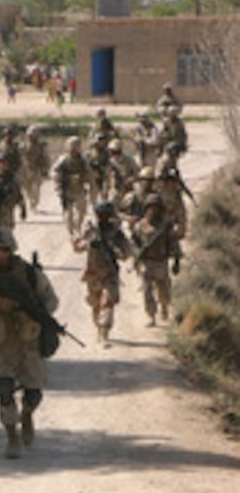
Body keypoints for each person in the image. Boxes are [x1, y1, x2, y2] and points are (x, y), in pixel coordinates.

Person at [0, 226, 59, 459]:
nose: (0, 255)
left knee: (34, 394)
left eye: (5, 250)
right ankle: (12, 437)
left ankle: (26, 415)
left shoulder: (29, 273)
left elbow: (51, 300)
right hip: (1, 345)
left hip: (28, 342)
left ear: (12, 250)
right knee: (4, 391)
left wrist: (33, 313)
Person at [73, 201, 130, 347]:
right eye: (100, 215)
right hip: (93, 273)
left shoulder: (116, 232)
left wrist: (114, 251)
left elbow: (126, 252)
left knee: (107, 302)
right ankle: (99, 329)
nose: (102, 218)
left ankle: (104, 334)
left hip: (109, 273)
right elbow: (77, 246)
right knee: (96, 304)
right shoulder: (90, 230)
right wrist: (89, 243)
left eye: (105, 215)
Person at [131, 193, 182, 325]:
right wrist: (137, 255)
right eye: (150, 207)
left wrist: (176, 261)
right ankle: (151, 316)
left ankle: (164, 308)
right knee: (147, 290)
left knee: (163, 290)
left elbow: (174, 243)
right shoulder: (140, 226)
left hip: (161, 262)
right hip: (147, 263)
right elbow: (134, 243)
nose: (153, 210)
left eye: (156, 207)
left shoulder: (166, 226)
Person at [52, 136, 94, 239]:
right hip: (67, 189)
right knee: (68, 213)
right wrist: (61, 179)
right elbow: (54, 172)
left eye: (77, 146)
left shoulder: (83, 160)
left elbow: (89, 173)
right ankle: (71, 234)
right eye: (73, 146)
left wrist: (89, 182)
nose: (75, 149)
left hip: (79, 188)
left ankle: (77, 226)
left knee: (82, 209)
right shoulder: (63, 160)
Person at [20, 124, 50, 211]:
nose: (33, 136)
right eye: (31, 135)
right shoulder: (24, 145)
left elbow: (46, 157)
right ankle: (31, 201)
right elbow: (21, 156)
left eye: (35, 134)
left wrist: (45, 167)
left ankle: (34, 204)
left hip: (37, 169)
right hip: (26, 169)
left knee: (36, 187)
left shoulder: (41, 146)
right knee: (27, 188)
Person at [107, 138, 139, 208]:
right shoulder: (110, 162)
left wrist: (130, 179)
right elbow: (107, 177)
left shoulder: (129, 160)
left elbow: (137, 174)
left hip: (127, 189)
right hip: (115, 190)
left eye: (114, 151)